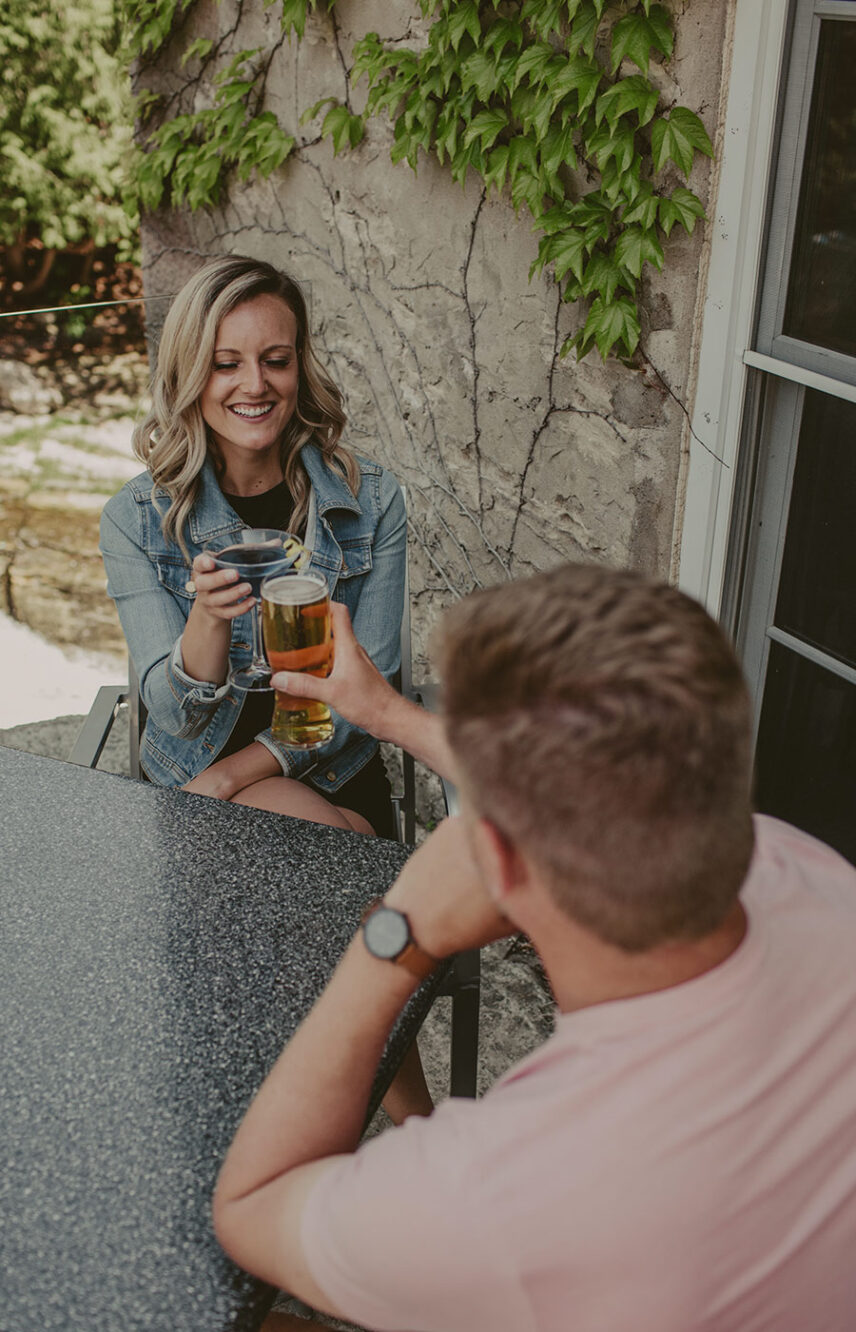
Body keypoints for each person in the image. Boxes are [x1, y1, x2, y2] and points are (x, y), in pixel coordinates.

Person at [213, 563, 856, 1332]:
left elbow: (250, 1210)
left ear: (500, 858)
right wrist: (384, 713)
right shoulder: (802, 869)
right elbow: (589, 796)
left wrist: (396, 936)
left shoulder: (509, 1196)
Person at [99, 254, 405, 839]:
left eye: (276, 361)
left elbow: (371, 690)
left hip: (329, 773)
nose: (256, 385)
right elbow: (173, 717)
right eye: (225, 364)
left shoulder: (371, 501)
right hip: (192, 774)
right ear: (191, 372)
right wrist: (210, 616)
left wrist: (232, 775)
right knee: (343, 874)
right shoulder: (136, 519)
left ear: (299, 367)